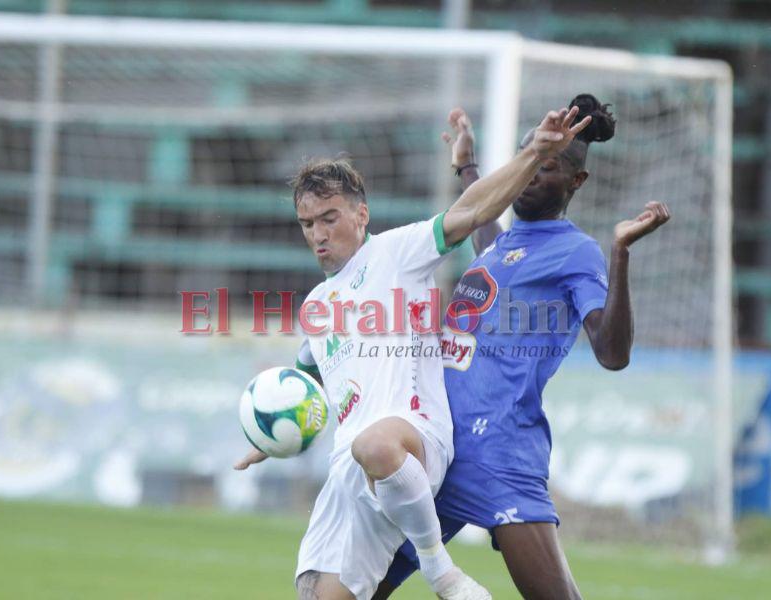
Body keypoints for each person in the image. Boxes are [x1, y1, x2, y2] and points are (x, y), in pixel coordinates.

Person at [234, 106, 592, 600]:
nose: (318, 234)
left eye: (329, 218)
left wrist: (533, 153)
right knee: (316, 593)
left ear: (361, 215)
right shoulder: (316, 306)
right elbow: (306, 378)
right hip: (353, 472)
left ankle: (441, 572)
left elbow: (473, 212)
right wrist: (269, 429)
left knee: (374, 445)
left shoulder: (398, 252)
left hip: (414, 441)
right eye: (307, 223)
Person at [375, 94, 671, 600]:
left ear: (576, 181)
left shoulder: (575, 251)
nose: (531, 173)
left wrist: (620, 252)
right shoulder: (502, 247)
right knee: (356, 588)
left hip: (500, 451)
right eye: (528, 160)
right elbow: (485, 232)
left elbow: (612, 352)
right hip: (439, 449)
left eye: (547, 166)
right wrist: (467, 167)